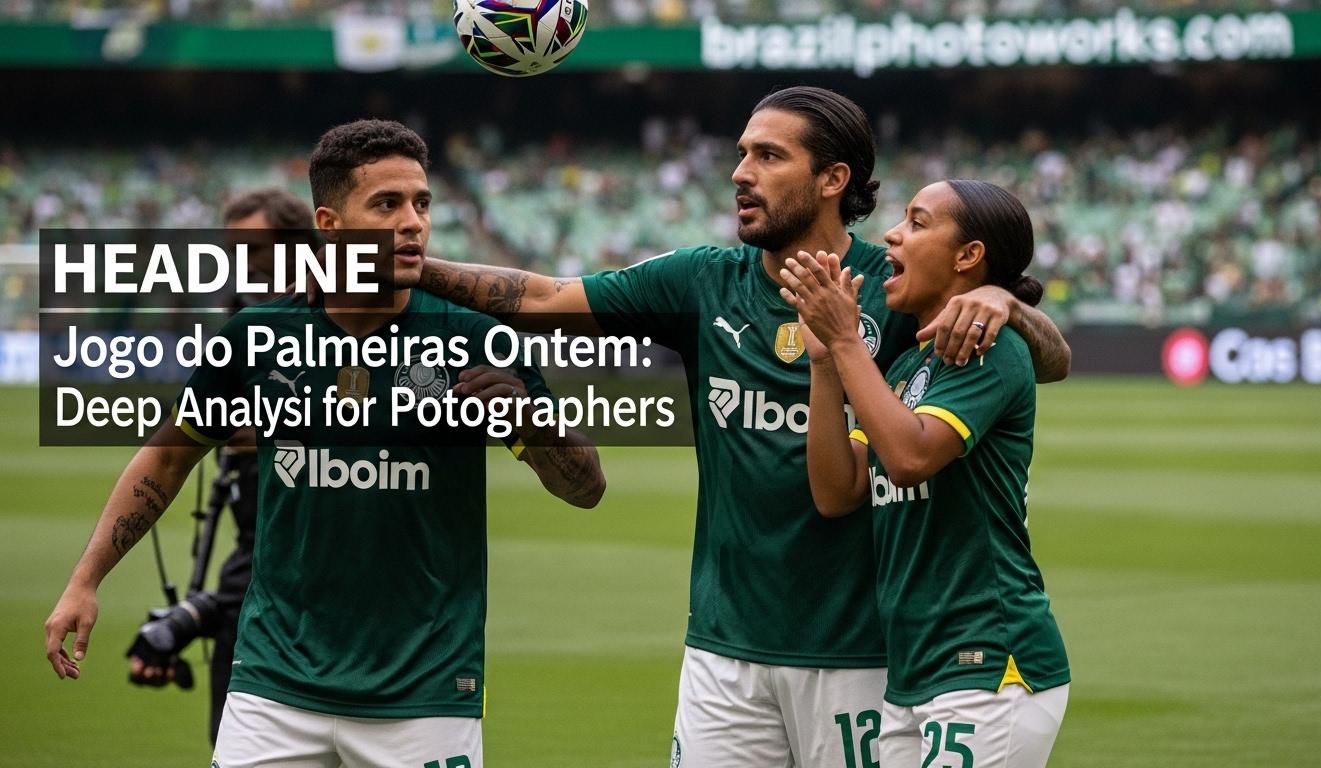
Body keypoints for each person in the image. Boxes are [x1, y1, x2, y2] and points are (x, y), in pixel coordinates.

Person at [410, 87, 1071, 767]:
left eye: (768, 156)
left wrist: (1002, 301)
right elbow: (545, 297)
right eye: (742, 153)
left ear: (832, 179)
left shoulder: (896, 288)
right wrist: (405, 267)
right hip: (723, 654)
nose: (740, 172)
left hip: (863, 655)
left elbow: (1048, 361)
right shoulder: (702, 280)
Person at [44, 119, 606, 768]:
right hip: (274, 687)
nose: (413, 222)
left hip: (424, 695)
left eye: (422, 203)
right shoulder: (258, 336)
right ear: (329, 224)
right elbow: (169, 457)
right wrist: (85, 580)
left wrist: (533, 424)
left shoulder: (475, 338)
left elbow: (585, 488)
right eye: (387, 204)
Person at [782, 180, 1069, 768]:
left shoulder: (991, 350)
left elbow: (910, 460)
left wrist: (846, 338)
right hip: (914, 669)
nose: (892, 234)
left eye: (917, 222)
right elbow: (839, 491)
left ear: (969, 255)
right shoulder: (907, 366)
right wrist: (825, 362)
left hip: (987, 658)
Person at [123, 187, 318, 747]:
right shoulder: (245, 315)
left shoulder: (343, 314)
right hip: (255, 544)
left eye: (254, 250)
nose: (243, 265)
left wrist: (188, 619)